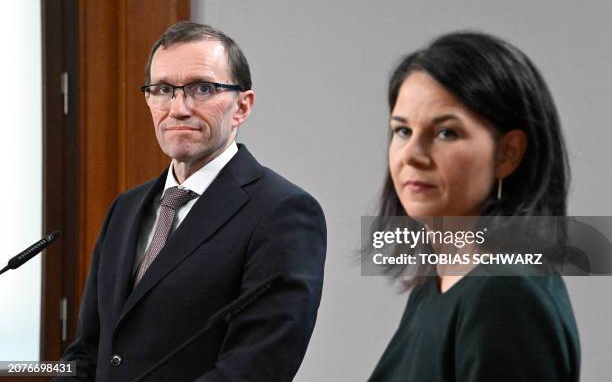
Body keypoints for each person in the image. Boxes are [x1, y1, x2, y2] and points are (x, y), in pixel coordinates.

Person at [56, 21, 326, 382]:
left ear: (242, 106)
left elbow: (257, 367)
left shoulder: (284, 212)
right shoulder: (125, 209)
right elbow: (88, 351)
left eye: (202, 88)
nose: (179, 108)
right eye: (163, 89)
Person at [368, 32, 580, 381]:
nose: (412, 155)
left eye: (446, 133)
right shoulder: (438, 282)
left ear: (508, 153)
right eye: (402, 131)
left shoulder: (505, 295)